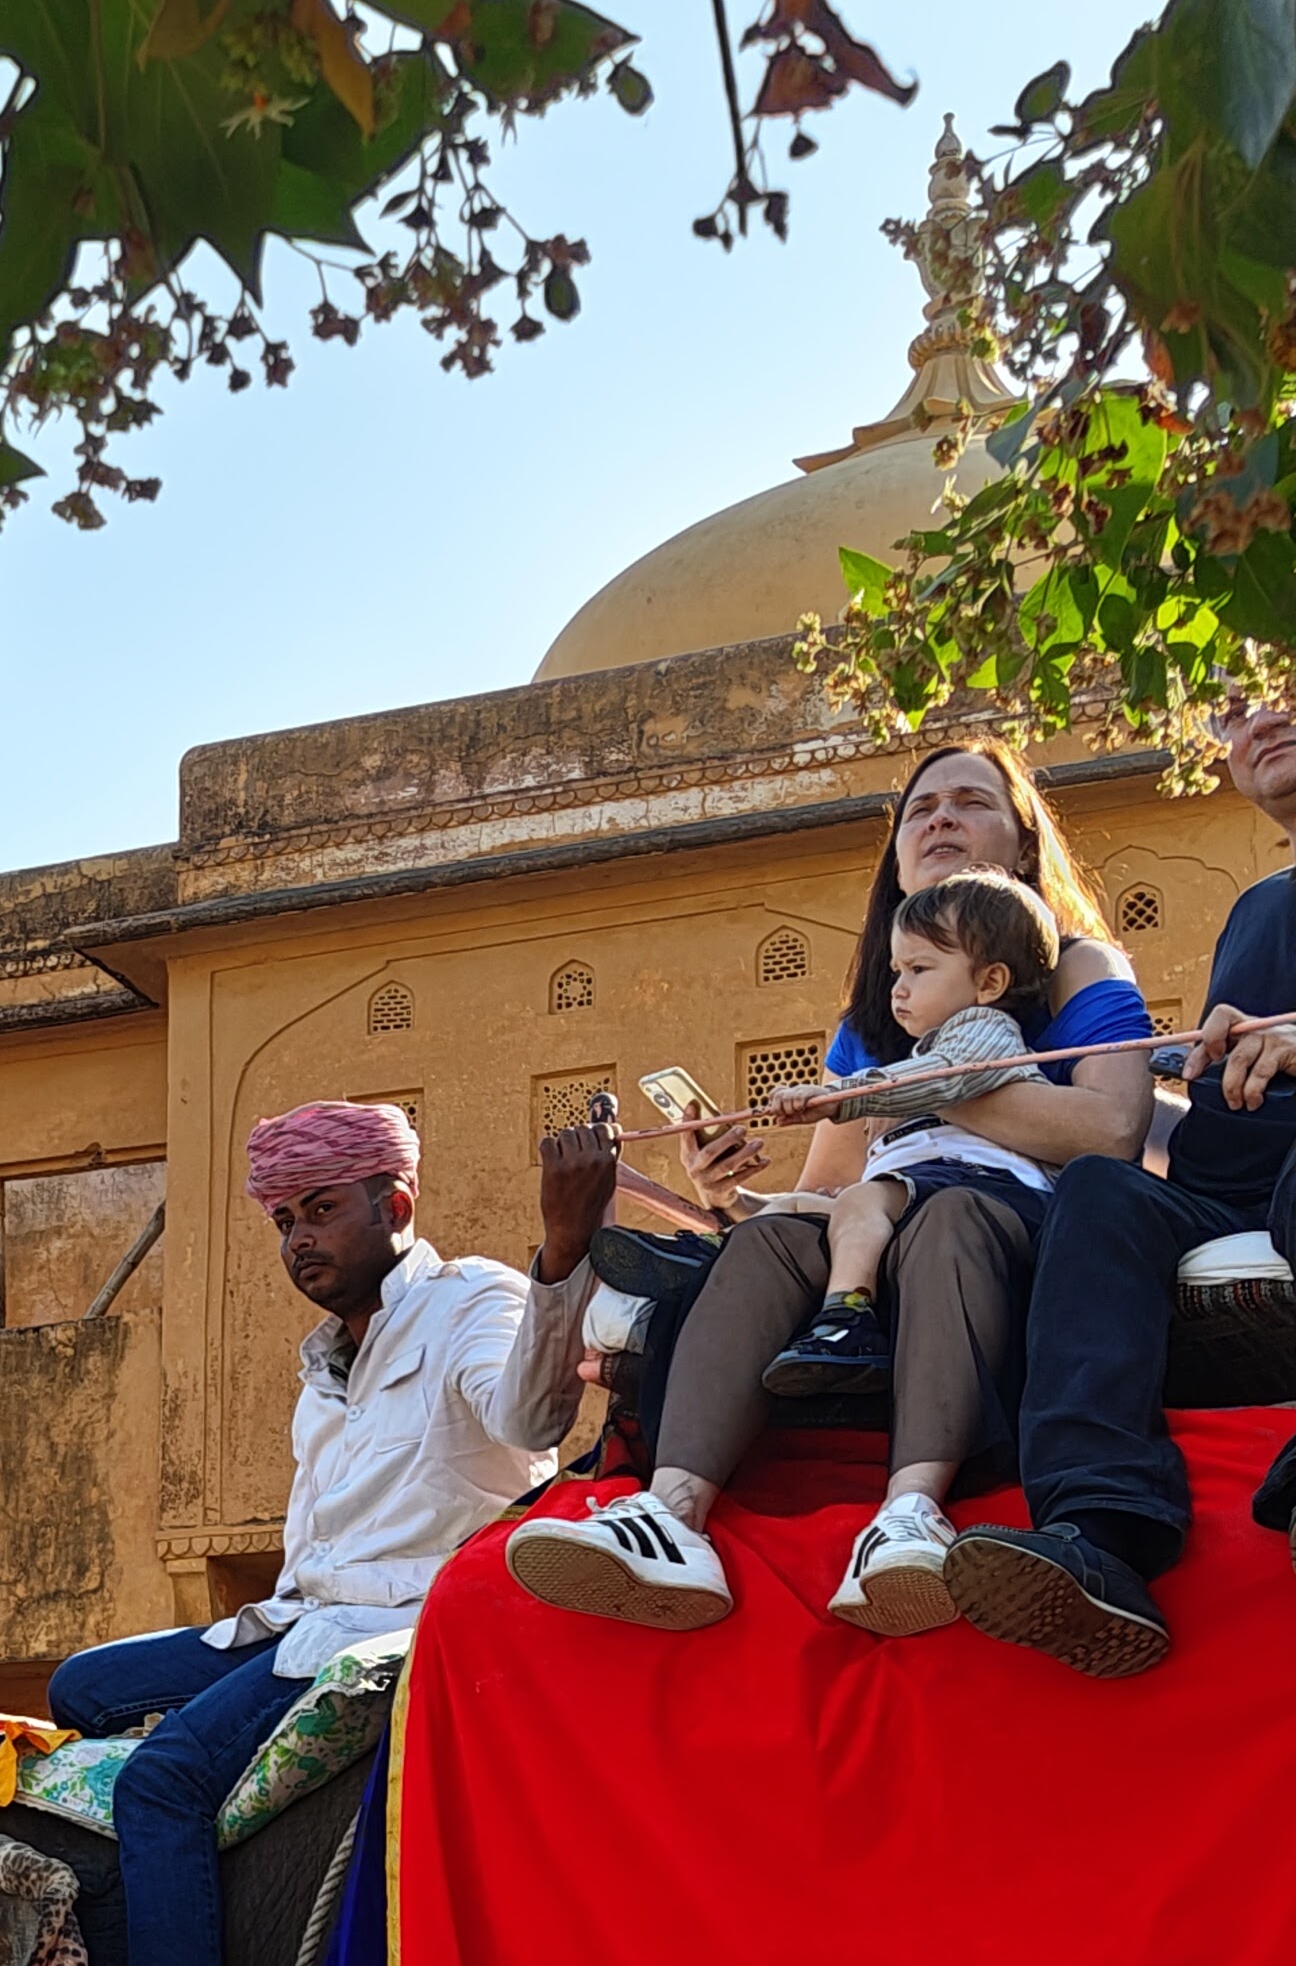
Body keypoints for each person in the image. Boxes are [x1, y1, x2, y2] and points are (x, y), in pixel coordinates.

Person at [498, 739, 1155, 1639]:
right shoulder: (883, 1018)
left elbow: (1111, 1132)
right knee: (769, 1240)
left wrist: (904, 1091)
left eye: (971, 803)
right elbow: (834, 1197)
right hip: (881, 1232)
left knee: (947, 1217)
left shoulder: (1078, 969)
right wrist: (727, 1194)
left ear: (1023, 843)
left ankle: (912, 1514)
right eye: (920, 810)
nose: (941, 821)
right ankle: (671, 1514)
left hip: (1014, 1232)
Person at [47, 1098, 587, 1966]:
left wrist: (565, 1252)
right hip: (296, 1619)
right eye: (284, 1218)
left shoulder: (473, 1300)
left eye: (322, 1211)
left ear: (395, 1203)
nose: (299, 1239)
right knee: (81, 1688)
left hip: (394, 1624)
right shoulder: (327, 1359)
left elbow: (532, 1421)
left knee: (161, 1786)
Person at [938, 698, 1296, 1677]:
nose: (1261, 719)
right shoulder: (1263, 907)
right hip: (1228, 1193)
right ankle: (1102, 1536)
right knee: (1100, 1192)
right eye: (1232, 709)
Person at [757, 869, 1065, 1388]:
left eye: (918, 969)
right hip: (924, 1189)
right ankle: (709, 1251)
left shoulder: (986, 1031)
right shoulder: (929, 1048)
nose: (898, 990)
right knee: (789, 1210)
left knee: (860, 1199)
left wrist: (841, 1097)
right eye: (897, 971)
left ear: (990, 982)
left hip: (982, 1187)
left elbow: (941, 1080)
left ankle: (846, 1318)